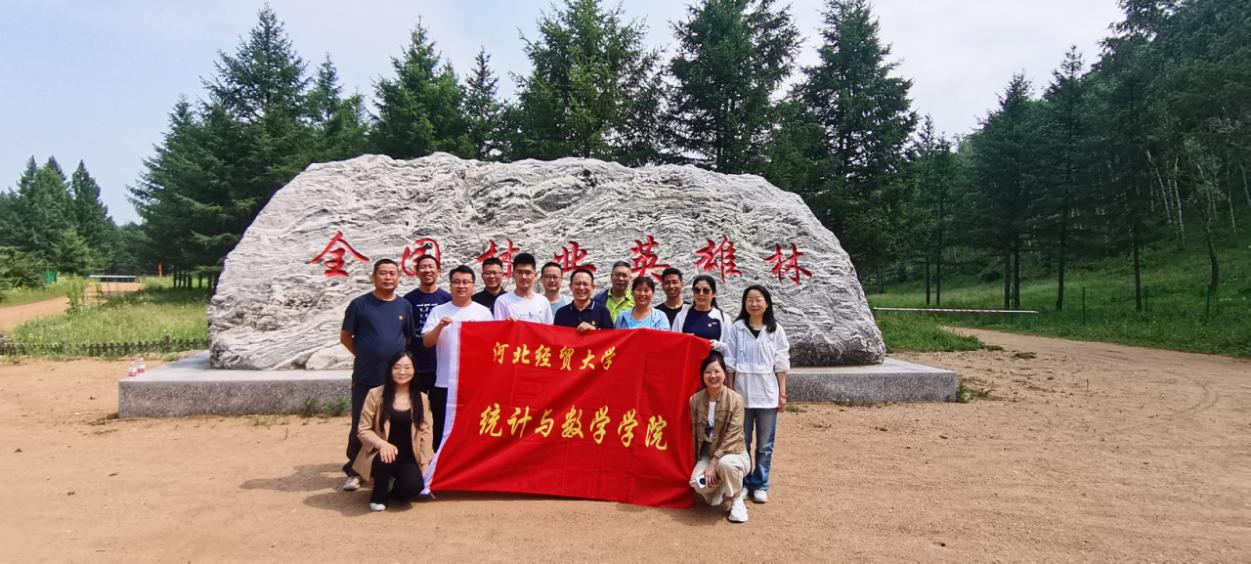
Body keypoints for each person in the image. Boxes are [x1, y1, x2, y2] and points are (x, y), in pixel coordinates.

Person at [339, 259, 413, 492]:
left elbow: (407, 337)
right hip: (367, 375)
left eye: (392, 273)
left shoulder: (404, 306)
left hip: (396, 380)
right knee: (361, 424)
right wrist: (365, 354)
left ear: (398, 277)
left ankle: (388, 468)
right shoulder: (360, 305)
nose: (388, 277)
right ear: (374, 276)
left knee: (394, 425)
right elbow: (346, 337)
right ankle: (355, 471)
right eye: (383, 273)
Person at [722, 285, 790, 504]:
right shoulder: (737, 328)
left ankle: (760, 483)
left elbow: (781, 363)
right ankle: (742, 482)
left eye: (758, 299)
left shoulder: (775, 330)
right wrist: (730, 391)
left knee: (764, 444)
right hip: (742, 393)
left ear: (766, 303)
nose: (754, 304)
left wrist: (782, 393)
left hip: (767, 394)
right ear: (744, 304)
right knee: (741, 442)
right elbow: (730, 362)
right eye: (749, 300)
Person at [421, 265, 494, 449]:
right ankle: (440, 464)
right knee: (442, 430)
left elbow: (493, 345)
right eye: (456, 282)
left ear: (473, 285)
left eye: (465, 282)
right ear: (450, 285)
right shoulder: (438, 311)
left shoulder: (483, 312)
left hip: (474, 384)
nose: (461, 286)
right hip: (445, 382)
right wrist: (440, 326)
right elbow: (427, 342)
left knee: (472, 430)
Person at [351, 351, 434, 512]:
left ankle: (393, 490)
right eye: (397, 367)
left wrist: (424, 462)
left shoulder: (421, 398)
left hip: (410, 456)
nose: (402, 372)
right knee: (386, 458)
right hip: (381, 453)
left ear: (414, 370)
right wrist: (382, 444)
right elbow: (363, 429)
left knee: (412, 487)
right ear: (390, 370)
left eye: (407, 367)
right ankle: (379, 494)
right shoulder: (376, 394)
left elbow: (426, 431)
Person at [688, 352, 750, 523]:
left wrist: (714, 463)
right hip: (708, 452)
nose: (713, 376)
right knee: (697, 483)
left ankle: (737, 499)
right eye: (708, 372)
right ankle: (720, 489)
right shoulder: (695, 400)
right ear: (702, 375)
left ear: (724, 373)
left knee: (725, 464)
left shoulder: (736, 400)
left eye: (717, 371)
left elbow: (733, 435)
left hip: (734, 453)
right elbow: (692, 432)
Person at [401, 255, 451, 393]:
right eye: (423, 267)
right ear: (416, 272)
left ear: (438, 271)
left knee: (439, 405)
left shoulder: (447, 299)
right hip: (415, 364)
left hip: (440, 365)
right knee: (416, 405)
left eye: (431, 266)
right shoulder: (408, 300)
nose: (427, 270)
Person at [670, 274, 727, 352]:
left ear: (713, 294)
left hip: (713, 359)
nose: (701, 294)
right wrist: (684, 340)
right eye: (697, 290)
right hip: (689, 359)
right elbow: (673, 344)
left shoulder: (723, 318)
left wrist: (716, 345)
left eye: (706, 290)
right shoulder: (681, 316)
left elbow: (730, 348)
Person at [492, 252, 553, 324]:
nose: (524, 277)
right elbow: (499, 329)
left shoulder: (543, 301)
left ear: (535, 275)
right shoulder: (502, 301)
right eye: (519, 272)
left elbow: (548, 329)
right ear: (513, 274)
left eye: (528, 272)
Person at [553, 268, 615, 333]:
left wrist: (594, 330)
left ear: (593, 287)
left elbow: (610, 337)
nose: (581, 288)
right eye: (577, 284)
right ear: (571, 286)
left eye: (585, 284)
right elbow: (556, 337)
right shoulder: (561, 313)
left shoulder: (603, 312)